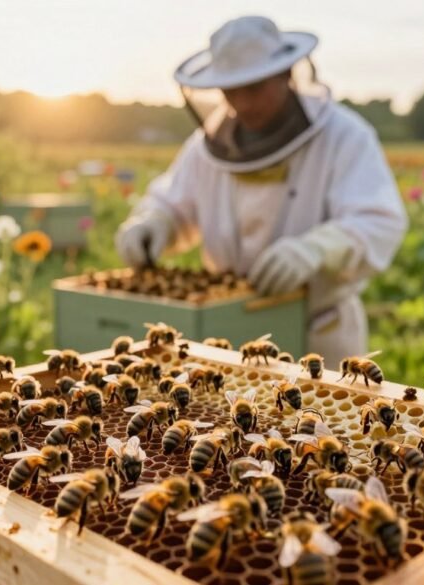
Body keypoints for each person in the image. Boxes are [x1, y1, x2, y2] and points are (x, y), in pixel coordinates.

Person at [115, 15, 407, 364]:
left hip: (316, 334)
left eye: (253, 88)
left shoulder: (344, 136)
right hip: (225, 333)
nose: (243, 103)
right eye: (230, 90)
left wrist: (317, 250)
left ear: (286, 74)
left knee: (323, 419)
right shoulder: (207, 145)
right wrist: (155, 222)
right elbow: (175, 204)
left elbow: (380, 222)